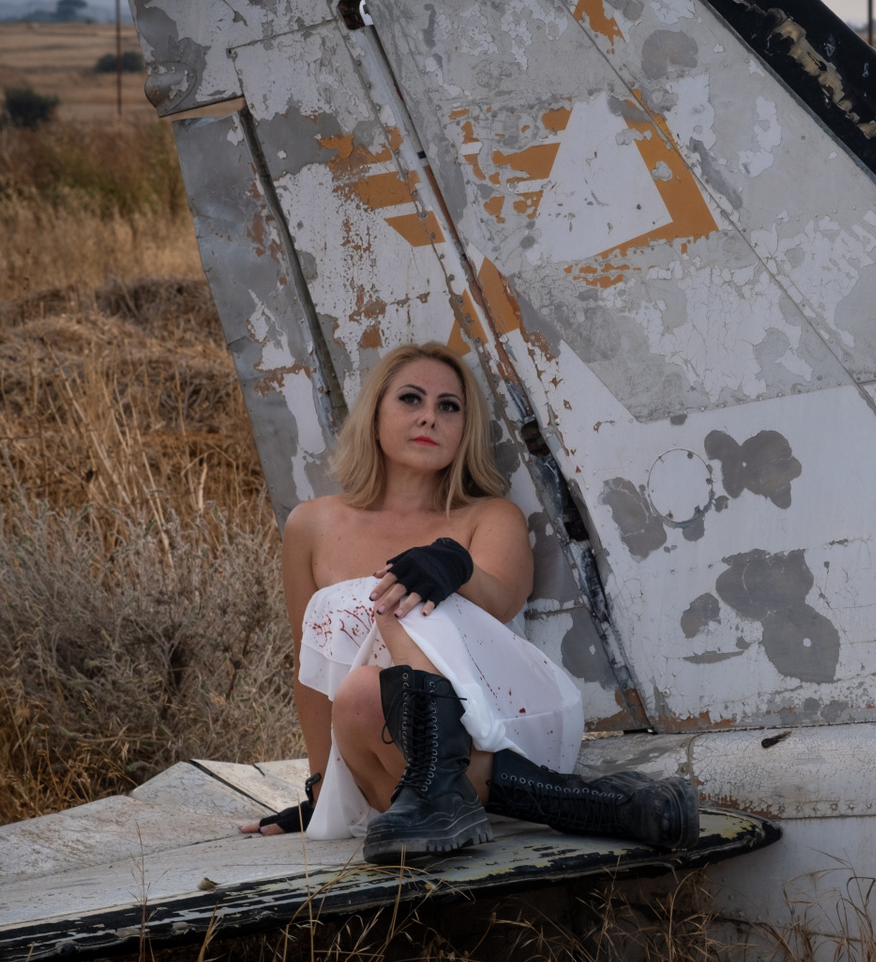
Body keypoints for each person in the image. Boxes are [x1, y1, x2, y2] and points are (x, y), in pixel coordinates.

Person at [241, 341, 698, 864]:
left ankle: (456, 786)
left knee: (392, 596)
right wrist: (323, 791)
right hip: (384, 748)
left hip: (500, 724)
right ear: (375, 414)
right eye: (411, 399)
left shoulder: (490, 516)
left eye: (449, 406)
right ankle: (585, 803)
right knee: (361, 691)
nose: (429, 417)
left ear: (465, 428)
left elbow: (501, 601)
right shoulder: (312, 525)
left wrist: (454, 564)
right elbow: (311, 666)